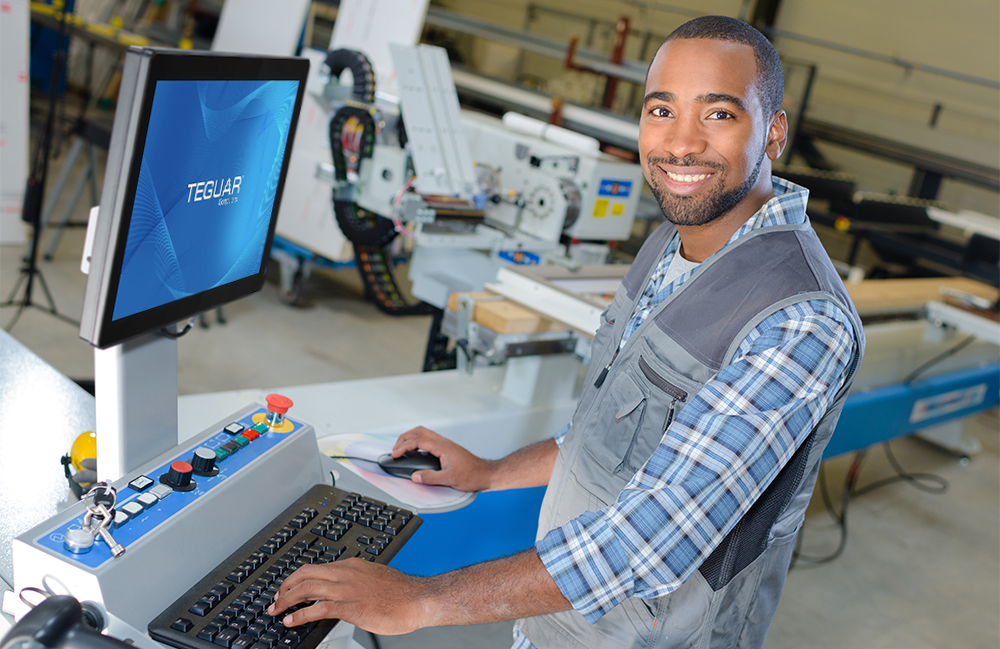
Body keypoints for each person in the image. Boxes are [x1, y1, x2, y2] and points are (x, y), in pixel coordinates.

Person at [268, 15, 865, 649]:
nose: (681, 144)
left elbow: (649, 539)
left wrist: (420, 598)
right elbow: (612, 429)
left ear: (773, 133)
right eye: (661, 111)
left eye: (718, 115)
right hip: (563, 627)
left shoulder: (800, 319)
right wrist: (492, 472)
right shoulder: (673, 240)